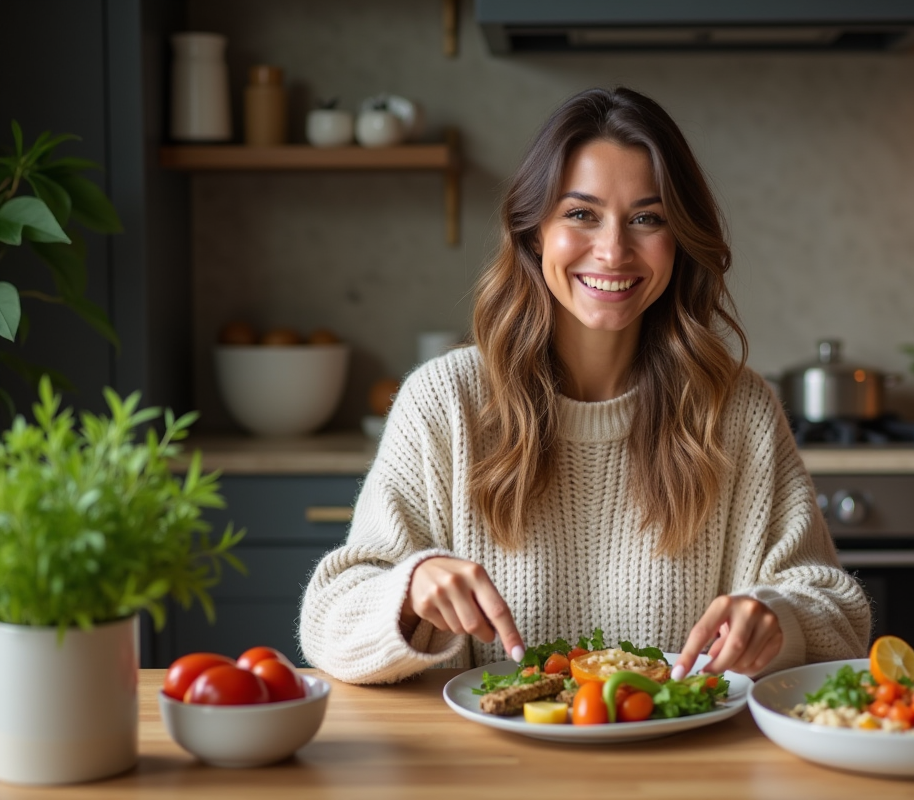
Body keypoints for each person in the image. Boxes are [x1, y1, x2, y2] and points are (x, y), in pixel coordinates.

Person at [299, 86, 871, 685]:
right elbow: (328, 622)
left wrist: (779, 617)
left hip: (682, 774)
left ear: (680, 241)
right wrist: (410, 588)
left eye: (647, 219)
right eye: (581, 214)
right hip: (496, 776)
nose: (613, 250)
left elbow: (843, 621)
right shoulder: (445, 401)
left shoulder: (735, 408)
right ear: (534, 231)